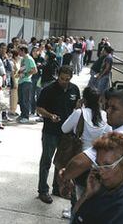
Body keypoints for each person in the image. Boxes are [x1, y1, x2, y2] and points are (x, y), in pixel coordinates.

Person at [59, 89, 123, 196]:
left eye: (114, 108)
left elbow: (78, 163)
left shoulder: (122, 138)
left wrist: (65, 176)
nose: (108, 111)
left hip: (118, 201)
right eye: (108, 106)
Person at [72, 132, 123, 224]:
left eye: (107, 165)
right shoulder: (105, 186)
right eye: (98, 165)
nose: (100, 172)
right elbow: (76, 215)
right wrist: (87, 194)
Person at [37, 66, 81, 204]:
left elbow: (76, 108)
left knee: (61, 162)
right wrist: (50, 115)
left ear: (71, 77)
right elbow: (39, 108)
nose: (64, 81)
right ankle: (43, 190)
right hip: (50, 131)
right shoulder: (48, 90)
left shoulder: (74, 89)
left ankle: (57, 188)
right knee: (46, 161)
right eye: (62, 78)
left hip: (66, 134)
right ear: (58, 75)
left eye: (67, 79)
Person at [17, 45, 37, 123]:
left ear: (23, 51)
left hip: (27, 81)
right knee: (21, 99)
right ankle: (22, 114)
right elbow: (23, 68)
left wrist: (26, 74)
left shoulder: (29, 59)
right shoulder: (23, 59)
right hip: (21, 80)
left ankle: (26, 116)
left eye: (19, 51)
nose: (18, 52)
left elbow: (35, 70)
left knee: (25, 99)